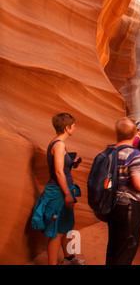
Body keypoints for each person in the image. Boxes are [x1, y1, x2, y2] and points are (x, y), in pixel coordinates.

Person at [31, 113, 84, 265]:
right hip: (58, 193)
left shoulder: (57, 143)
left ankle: (68, 258)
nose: (75, 128)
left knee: (66, 227)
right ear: (67, 128)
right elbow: (59, 172)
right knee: (56, 232)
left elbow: (60, 167)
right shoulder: (59, 145)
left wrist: (70, 162)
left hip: (61, 191)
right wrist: (67, 194)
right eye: (73, 126)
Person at [106, 117, 140, 265]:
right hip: (129, 207)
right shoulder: (134, 155)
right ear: (135, 133)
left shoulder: (110, 151)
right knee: (126, 249)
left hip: (112, 204)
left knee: (114, 245)